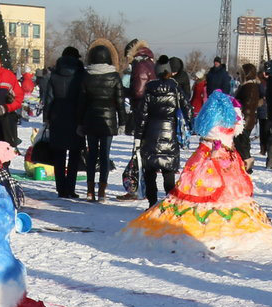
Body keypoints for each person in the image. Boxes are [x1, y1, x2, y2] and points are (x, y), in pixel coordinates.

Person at [134, 54, 191, 206]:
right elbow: (188, 109)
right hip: (170, 133)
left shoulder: (150, 89)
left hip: (150, 134)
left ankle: (152, 203)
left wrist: (138, 137)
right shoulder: (176, 88)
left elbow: (142, 115)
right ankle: (169, 203)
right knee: (168, 170)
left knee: (150, 171)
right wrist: (189, 127)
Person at [77, 42, 125, 201]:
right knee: (105, 156)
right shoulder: (114, 76)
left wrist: (80, 122)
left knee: (91, 156)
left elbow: (81, 102)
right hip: (108, 121)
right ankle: (102, 192)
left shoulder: (86, 76)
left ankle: (90, 191)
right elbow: (120, 101)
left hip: (90, 119)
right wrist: (122, 122)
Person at [44, 46, 85, 198]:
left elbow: (48, 99)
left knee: (59, 156)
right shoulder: (81, 75)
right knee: (74, 155)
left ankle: (61, 189)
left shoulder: (54, 75)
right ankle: (70, 188)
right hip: (77, 118)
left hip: (57, 117)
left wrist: (46, 118)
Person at [234, 62, 260, 170]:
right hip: (246, 117)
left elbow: (248, 103)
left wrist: (238, 104)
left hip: (245, 118)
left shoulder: (249, 87)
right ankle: (244, 161)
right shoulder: (248, 86)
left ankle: (247, 161)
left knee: (240, 141)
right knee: (242, 140)